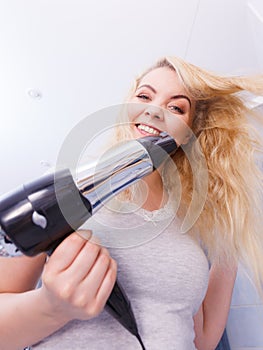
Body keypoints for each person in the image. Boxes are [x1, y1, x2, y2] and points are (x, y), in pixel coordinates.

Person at [0, 56, 263, 350]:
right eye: (144, 96)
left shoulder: (193, 222)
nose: (154, 110)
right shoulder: (65, 192)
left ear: (189, 133)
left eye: (176, 107)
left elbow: (201, 339)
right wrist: (51, 306)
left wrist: (229, 232)